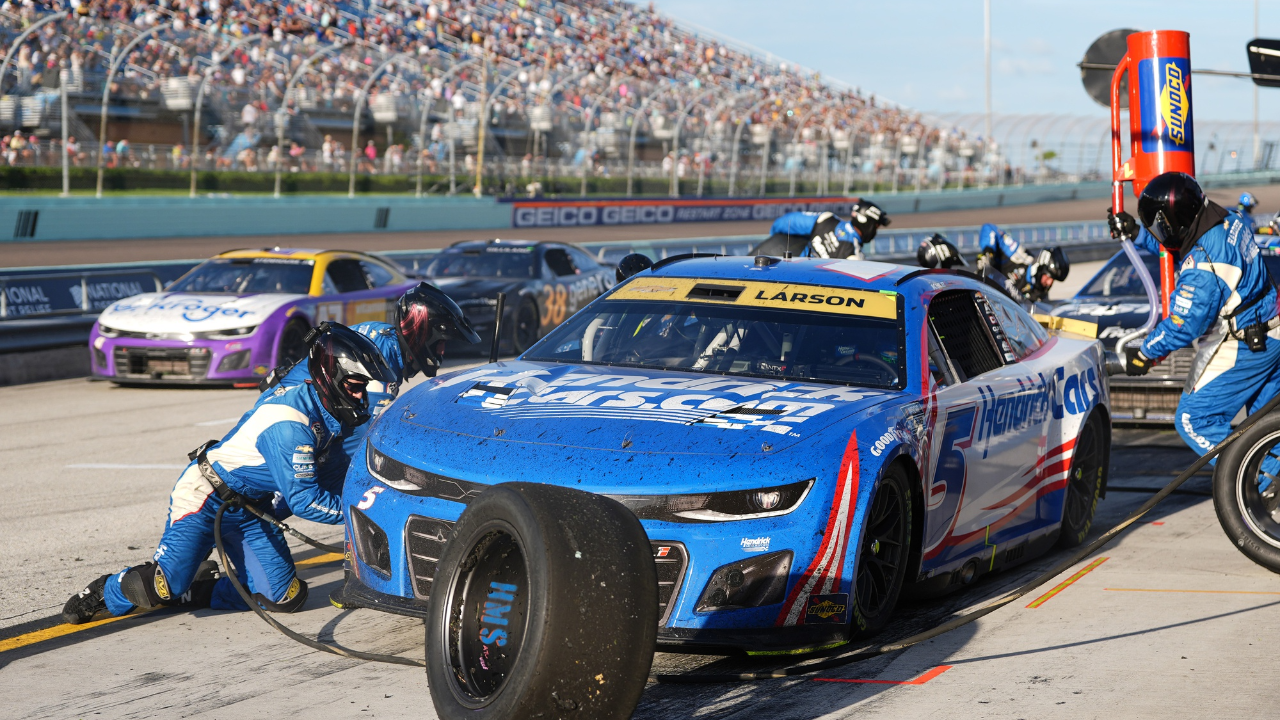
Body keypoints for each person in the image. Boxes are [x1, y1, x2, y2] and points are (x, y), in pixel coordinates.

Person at [60, 325, 397, 625]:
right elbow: (306, 501)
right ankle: (109, 590)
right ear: (329, 377)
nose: (360, 395)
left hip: (249, 509)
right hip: (206, 495)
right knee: (165, 586)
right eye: (355, 385)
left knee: (284, 598)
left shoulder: (324, 403)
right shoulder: (290, 425)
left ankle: (200, 589)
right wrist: (368, 511)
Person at [1108, 172, 1280, 466]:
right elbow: (1184, 248)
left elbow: (1184, 324)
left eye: (1160, 227)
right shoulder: (1229, 219)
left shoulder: (1204, 266)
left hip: (1246, 345)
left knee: (1194, 420)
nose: (1159, 234)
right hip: (1270, 334)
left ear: (1175, 220)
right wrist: (1137, 234)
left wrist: (1146, 352)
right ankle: (1270, 484)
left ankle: (1256, 481)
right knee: (1267, 430)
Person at [257, 283, 480, 486]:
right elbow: (366, 440)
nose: (442, 352)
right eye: (440, 343)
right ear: (421, 333)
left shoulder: (382, 335)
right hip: (282, 423)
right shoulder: (381, 361)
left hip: (284, 407)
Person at [976, 223, 1069, 304]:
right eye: (1049, 277)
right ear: (1041, 268)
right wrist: (988, 253)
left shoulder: (1041, 296)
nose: (1049, 283)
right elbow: (989, 228)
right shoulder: (1018, 255)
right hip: (977, 292)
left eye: (1053, 280)